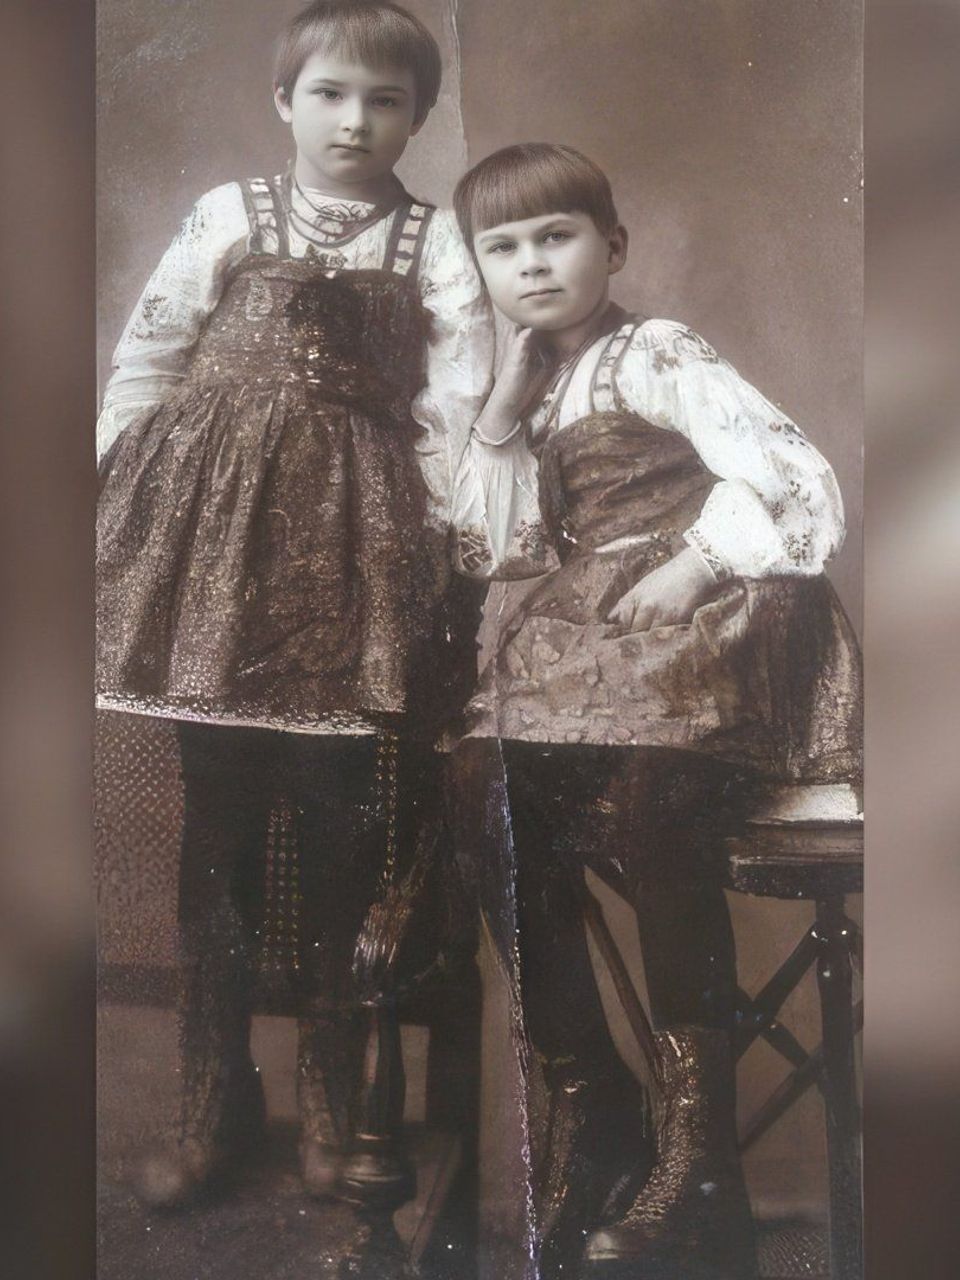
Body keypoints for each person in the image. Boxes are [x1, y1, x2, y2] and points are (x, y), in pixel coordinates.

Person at [96, 1, 492, 1208]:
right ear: (285, 102)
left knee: (338, 831)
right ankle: (214, 1095)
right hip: (217, 553)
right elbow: (149, 355)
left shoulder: (435, 241)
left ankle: (331, 1094)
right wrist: (126, 501)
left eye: (383, 101)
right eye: (328, 93)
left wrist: (438, 540)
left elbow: (460, 399)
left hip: (353, 564)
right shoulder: (230, 212)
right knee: (216, 828)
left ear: (417, 117)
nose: (354, 120)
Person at [450, 143, 861, 1279]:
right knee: (481, 785)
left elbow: (797, 478)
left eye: (557, 236)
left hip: (720, 619)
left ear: (614, 246)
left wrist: (696, 563)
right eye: (504, 248)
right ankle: (597, 1103)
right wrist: (500, 414)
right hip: (607, 647)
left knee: (652, 799)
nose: (534, 264)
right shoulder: (534, 391)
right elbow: (494, 550)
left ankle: (699, 1162)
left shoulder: (659, 350)